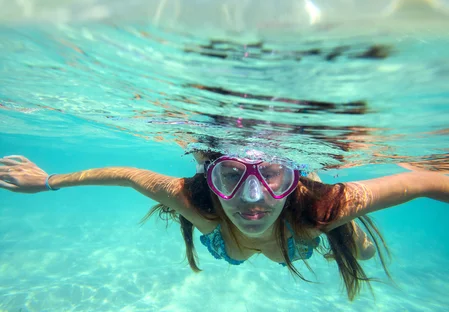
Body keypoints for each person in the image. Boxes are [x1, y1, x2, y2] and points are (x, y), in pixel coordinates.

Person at [1, 150, 448, 300]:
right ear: (210, 179)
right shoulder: (199, 204)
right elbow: (126, 175)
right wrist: (45, 181)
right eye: (230, 175)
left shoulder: (321, 208)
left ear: (291, 180)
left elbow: (425, 179)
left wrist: (46, 183)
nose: (252, 201)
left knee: (362, 249)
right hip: (289, 230)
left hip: (308, 226)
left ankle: (317, 198)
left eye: (273, 174)